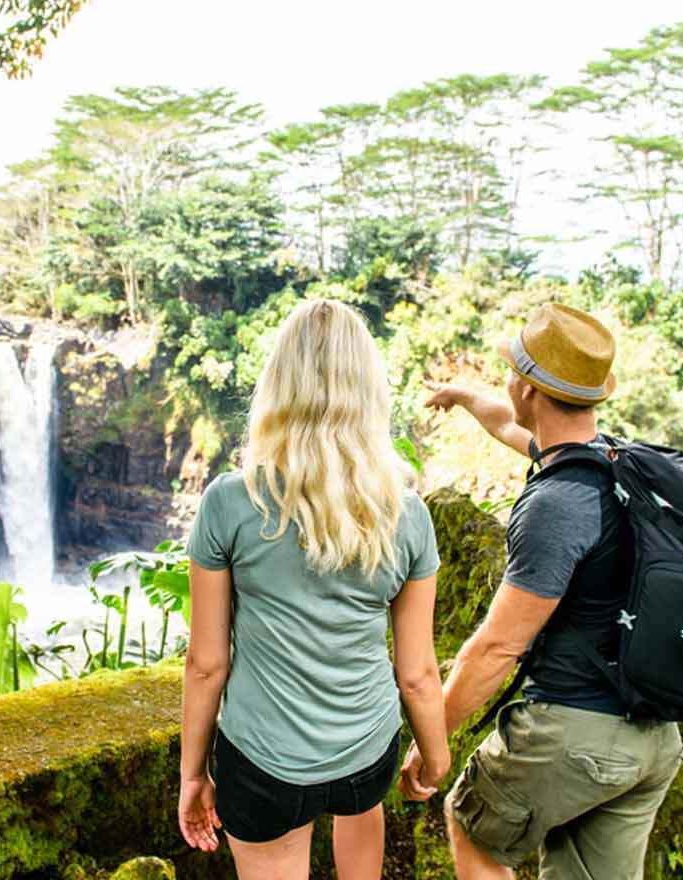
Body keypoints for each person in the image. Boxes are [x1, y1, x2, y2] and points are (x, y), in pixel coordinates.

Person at [400, 303, 683, 880]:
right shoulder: (617, 467)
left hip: (576, 729)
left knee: (473, 824)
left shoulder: (556, 504)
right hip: (655, 738)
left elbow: (497, 651)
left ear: (529, 388)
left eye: (512, 372)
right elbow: (506, 422)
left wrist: (434, 742)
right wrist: (460, 395)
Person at [177, 298, 451, 880]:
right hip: (365, 752)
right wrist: (435, 751)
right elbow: (417, 674)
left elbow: (206, 663)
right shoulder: (405, 514)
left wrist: (193, 774)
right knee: (361, 813)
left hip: (263, 761)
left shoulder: (230, 501)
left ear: (279, 384)